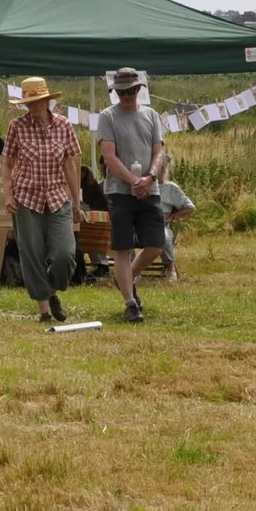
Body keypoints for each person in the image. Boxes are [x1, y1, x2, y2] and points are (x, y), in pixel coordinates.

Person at [97, 66, 169, 322]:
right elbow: (109, 157)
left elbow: (158, 151)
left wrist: (149, 178)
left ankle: (126, 277)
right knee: (123, 248)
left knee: (155, 245)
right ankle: (130, 303)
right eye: (121, 93)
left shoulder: (151, 116)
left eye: (130, 92)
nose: (126, 97)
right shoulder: (107, 117)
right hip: (120, 191)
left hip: (150, 188)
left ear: (139, 90)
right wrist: (133, 181)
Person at [3, 77, 76, 323]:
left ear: (47, 101)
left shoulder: (64, 125)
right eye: (28, 102)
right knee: (31, 253)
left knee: (65, 254)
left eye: (36, 102)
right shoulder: (17, 126)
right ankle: (44, 310)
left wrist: (77, 202)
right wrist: (8, 194)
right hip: (26, 196)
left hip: (58, 196)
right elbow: (8, 163)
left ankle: (53, 289)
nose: (32, 107)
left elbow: (70, 165)